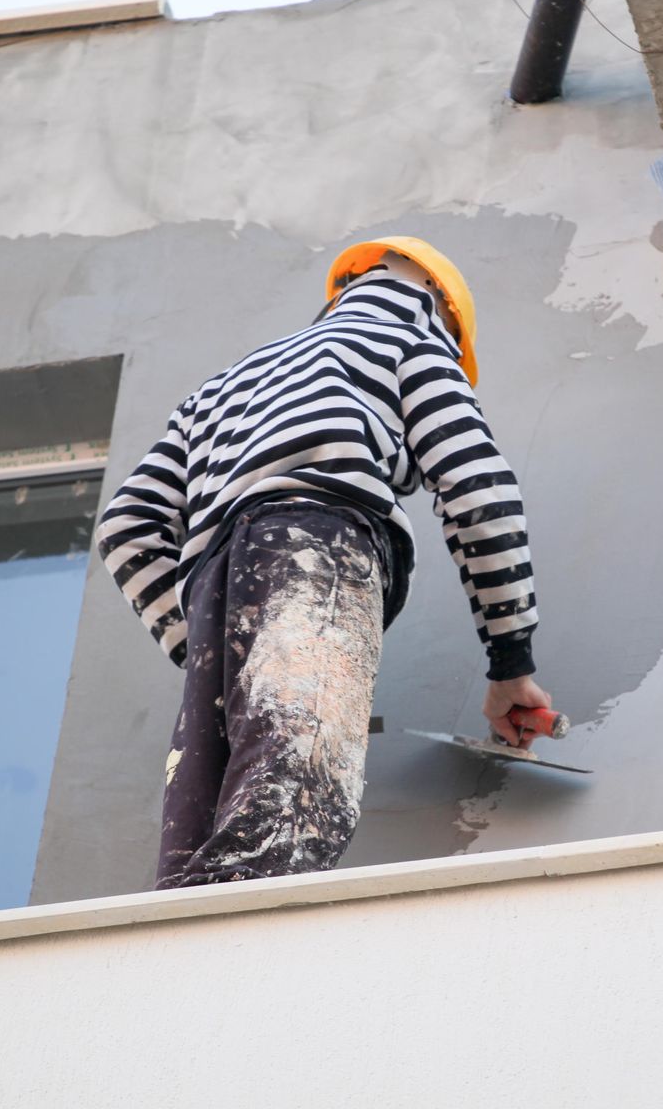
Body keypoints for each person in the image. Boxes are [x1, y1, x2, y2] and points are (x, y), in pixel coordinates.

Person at [100, 237, 553, 888]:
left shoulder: (226, 383)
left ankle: (183, 974)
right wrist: (511, 663)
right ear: (443, 313)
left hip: (211, 588)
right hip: (318, 549)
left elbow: (126, 526)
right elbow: (478, 491)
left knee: (196, 847)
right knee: (296, 804)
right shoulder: (414, 342)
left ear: (342, 291)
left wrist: (204, 645)